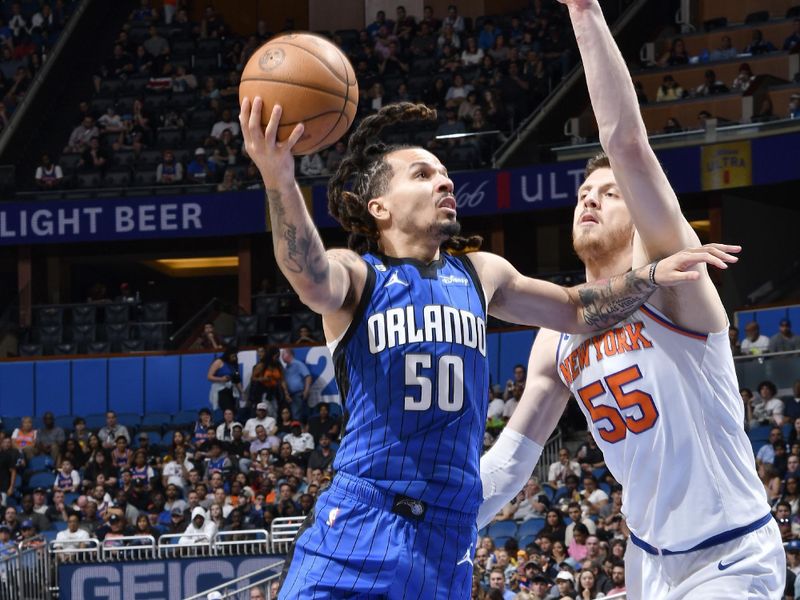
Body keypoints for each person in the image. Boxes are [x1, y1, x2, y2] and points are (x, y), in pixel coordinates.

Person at [239, 94, 732, 599]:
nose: (444, 181)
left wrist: (649, 276)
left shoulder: (480, 273)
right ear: (379, 207)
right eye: (422, 175)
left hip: (447, 536)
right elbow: (310, 276)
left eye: (444, 174)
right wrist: (279, 176)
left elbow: (576, 309)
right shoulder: (359, 276)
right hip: (364, 518)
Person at [478, 1, 783, 598]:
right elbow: (512, 462)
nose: (589, 200)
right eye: (583, 193)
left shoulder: (673, 281)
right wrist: (436, 520)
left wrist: (586, 12)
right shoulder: (558, 332)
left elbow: (626, 141)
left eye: (609, 193)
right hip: (647, 561)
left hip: (732, 553)